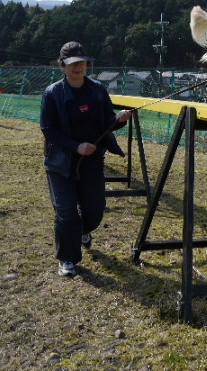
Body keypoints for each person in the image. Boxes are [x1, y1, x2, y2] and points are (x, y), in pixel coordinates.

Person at [40, 41, 132, 276]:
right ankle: (68, 259)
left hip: (92, 161)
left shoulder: (98, 90)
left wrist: (119, 120)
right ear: (63, 66)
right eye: (72, 63)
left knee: (95, 209)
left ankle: (82, 230)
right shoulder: (52, 93)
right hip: (60, 163)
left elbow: (106, 122)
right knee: (66, 211)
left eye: (81, 62)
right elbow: (48, 129)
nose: (78, 67)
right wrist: (75, 146)